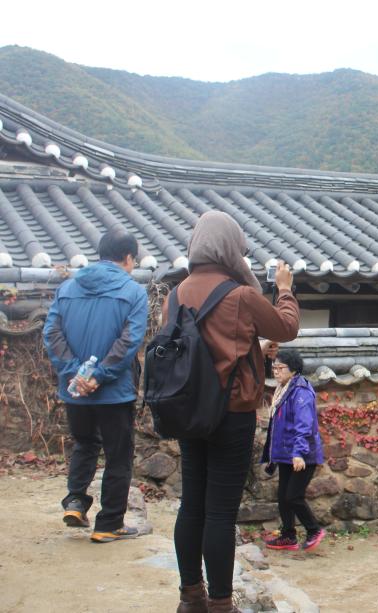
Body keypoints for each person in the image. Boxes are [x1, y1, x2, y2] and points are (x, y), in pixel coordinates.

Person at [165, 211, 300, 613]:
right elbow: (287, 328)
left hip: (189, 412)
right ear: (229, 249)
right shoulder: (239, 295)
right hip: (232, 413)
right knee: (221, 512)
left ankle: (191, 598)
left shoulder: (174, 295)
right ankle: (222, 604)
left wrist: (252, 349)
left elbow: (199, 350)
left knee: (192, 505)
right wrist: (284, 289)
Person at [43, 229, 148, 543]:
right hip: (114, 392)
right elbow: (129, 341)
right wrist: (99, 375)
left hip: (75, 390)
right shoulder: (133, 292)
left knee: (85, 444)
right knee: (118, 455)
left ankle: (75, 502)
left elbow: (51, 334)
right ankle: (109, 523)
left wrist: (75, 373)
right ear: (128, 257)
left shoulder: (67, 288)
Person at [261, 349, 326, 552]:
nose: (276, 371)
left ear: (293, 369)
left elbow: (304, 425)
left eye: (280, 368)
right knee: (283, 496)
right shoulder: (283, 389)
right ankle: (288, 536)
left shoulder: (301, 391)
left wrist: (298, 453)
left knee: (293, 496)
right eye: (274, 368)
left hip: (302, 455)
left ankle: (314, 530)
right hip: (286, 454)